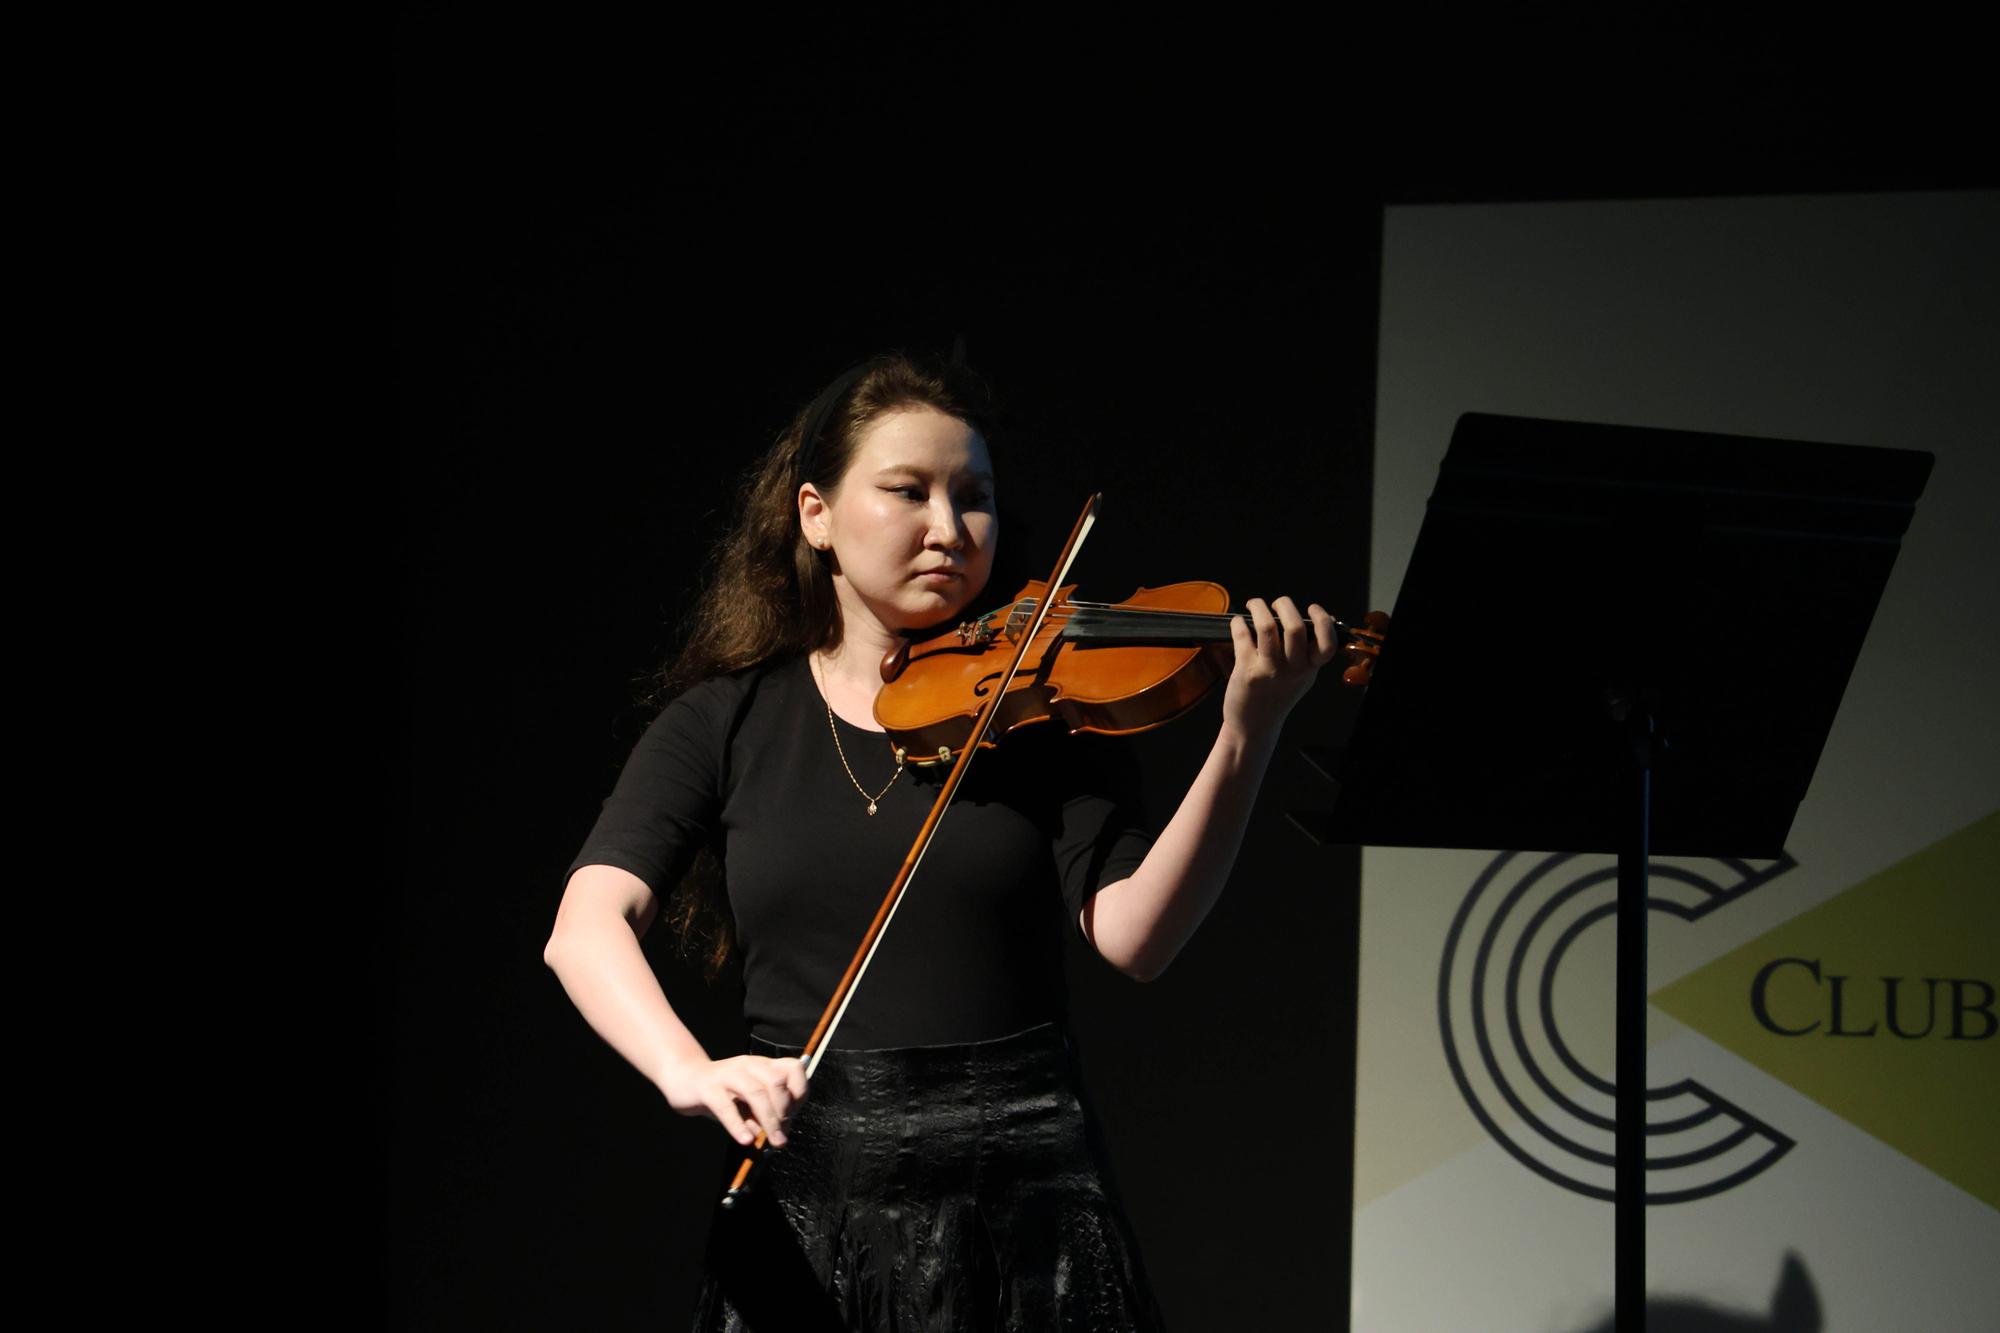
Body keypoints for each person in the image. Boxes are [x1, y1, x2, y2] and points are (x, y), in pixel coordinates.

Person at [543, 352, 1344, 1331]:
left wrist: (1243, 732)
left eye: (973, 498)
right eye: (905, 491)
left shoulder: (1043, 707)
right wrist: (688, 1068)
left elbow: (1137, 936)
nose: (946, 527)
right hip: (812, 1191)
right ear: (815, 515)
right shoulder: (726, 720)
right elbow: (584, 927)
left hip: (1028, 1195)